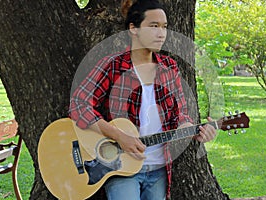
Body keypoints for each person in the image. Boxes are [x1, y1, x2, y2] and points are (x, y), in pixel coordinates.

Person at [69, 0, 217, 199]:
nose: (161, 33)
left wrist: (191, 129)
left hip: (158, 169)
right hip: (121, 167)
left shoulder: (169, 67)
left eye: (164, 27)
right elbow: (79, 104)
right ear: (133, 29)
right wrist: (119, 135)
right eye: (153, 26)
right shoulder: (113, 65)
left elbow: (180, 113)